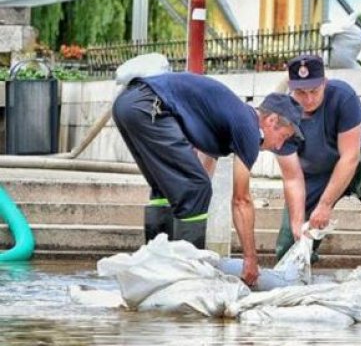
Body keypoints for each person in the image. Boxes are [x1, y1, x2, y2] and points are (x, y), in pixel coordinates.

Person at [112, 72, 303, 286]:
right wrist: (250, 259)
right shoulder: (249, 129)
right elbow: (241, 199)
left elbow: (202, 169)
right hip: (149, 106)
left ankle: (155, 271)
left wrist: (193, 195)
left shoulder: (230, 118)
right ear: (271, 120)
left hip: (126, 103)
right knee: (195, 188)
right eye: (283, 137)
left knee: (168, 189)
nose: (279, 147)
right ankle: (186, 279)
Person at [273, 54, 361, 277]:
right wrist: (297, 222)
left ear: (325, 83)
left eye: (314, 91)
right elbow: (292, 177)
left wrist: (325, 205)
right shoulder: (281, 113)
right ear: (292, 88)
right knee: (286, 248)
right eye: (301, 93)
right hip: (312, 175)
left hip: (355, 161)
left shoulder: (343, 96)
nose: (309, 99)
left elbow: (349, 157)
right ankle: (303, 274)